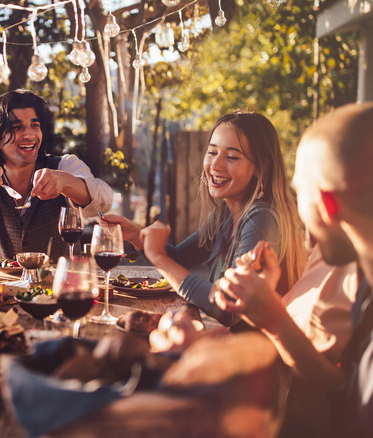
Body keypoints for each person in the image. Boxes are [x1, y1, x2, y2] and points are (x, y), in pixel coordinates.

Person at [215, 103, 373, 436]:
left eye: (300, 191)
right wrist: (273, 315)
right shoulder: (362, 279)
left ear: (327, 205)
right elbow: (341, 386)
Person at [102, 111, 306, 326]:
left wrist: (160, 258)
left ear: (260, 167)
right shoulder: (226, 215)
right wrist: (136, 234)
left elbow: (228, 306)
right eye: (212, 152)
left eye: (232, 157)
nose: (215, 166)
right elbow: (180, 261)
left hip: (254, 350)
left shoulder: (261, 219)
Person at [0, 89, 115, 260]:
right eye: (17, 127)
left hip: (56, 289)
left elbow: (104, 201)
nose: (29, 135)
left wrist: (64, 181)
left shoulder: (65, 166)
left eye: (34, 125)